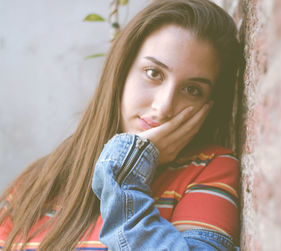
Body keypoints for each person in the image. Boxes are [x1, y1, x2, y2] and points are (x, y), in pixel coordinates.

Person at [0, 0, 242, 250]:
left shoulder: (209, 170)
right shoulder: (35, 184)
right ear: (122, 71)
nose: (164, 106)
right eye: (153, 73)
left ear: (208, 106)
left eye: (192, 89)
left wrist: (125, 172)